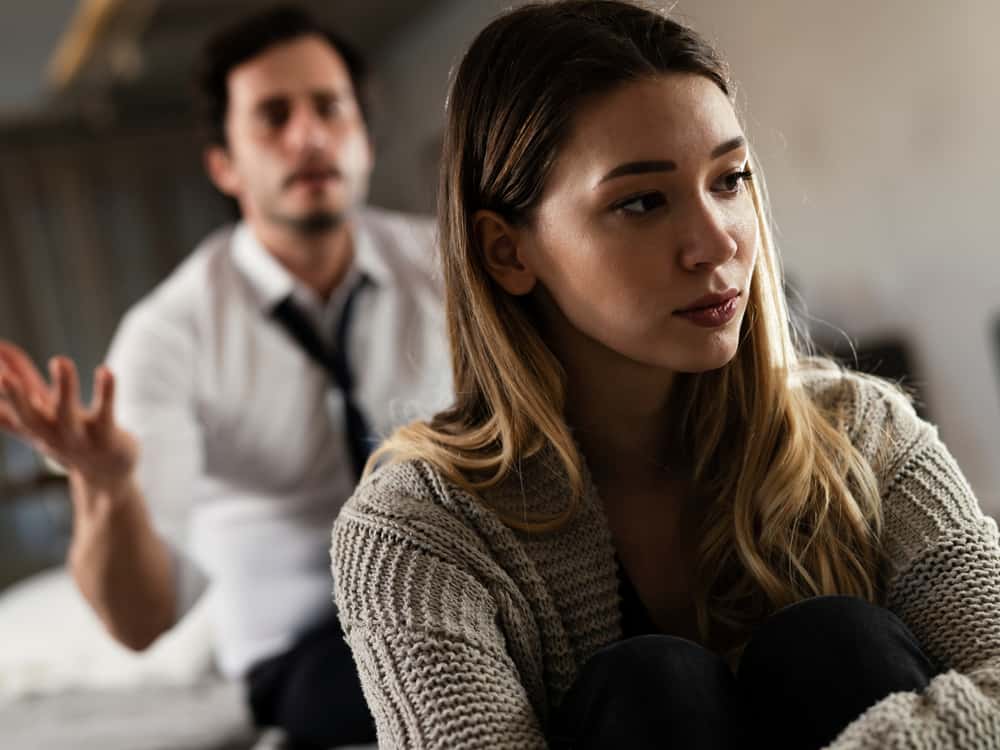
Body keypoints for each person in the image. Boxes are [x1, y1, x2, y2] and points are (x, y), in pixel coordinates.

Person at [329, 2, 1000, 748]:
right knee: (651, 687)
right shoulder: (417, 533)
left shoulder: (864, 434)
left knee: (836, 642)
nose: (716, 243)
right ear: (507, 253)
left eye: (730, 179)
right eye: (641, 202)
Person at [0, 5, 449, 748]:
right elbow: (140, 625)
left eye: (329, 109)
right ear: (224, 164)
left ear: (363, 138)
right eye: (273, 116)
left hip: (463, 600)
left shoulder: (448, 270)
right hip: (304, 651)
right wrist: (107, 487)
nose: (308, 136)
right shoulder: (166, 336)